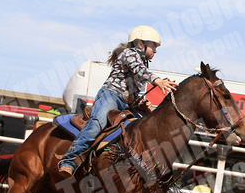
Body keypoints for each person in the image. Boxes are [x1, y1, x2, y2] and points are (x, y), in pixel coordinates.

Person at [58, 25, 177, 176]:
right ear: (141, 44)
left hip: (126, 103)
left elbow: (134, 91)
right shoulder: (129, 54)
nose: (155, 50)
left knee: (145, 128)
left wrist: (141, 104)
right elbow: (139, 69)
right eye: (153, 46)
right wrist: (158, 80)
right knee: (97, 123)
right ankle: (69, 161)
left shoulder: (142, 62)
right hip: (111, 95)